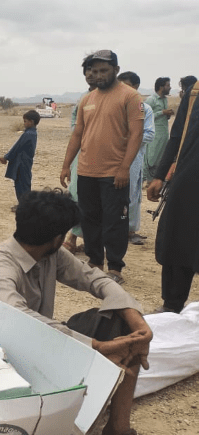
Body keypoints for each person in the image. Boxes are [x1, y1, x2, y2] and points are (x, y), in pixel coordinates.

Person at [0, 190, 165, 435]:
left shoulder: (49, 254)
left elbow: (94, 278)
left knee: (120, 325)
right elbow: (21, 323)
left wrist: (137, 322)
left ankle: (117, 433)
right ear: (57, 237)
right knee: (97, 342)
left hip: (42, 342)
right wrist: (94, 347)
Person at [60, 50, 144, 285]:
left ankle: (115, 268)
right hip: (86, 171)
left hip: (114, 173)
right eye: (94, 71)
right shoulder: (87, 99)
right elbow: (78, 133)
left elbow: (136, 135)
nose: (98, 75)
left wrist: (124, 168)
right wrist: (66, 165)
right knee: (89, 219)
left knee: (115, 221)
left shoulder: (130, 97)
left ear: (116, 70)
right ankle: (95, 262)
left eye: (104, 70)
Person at [146, 77, 198, 314]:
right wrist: (159, 175)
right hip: (190, 178)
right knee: (178, 236)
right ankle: (172, 306)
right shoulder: (195, 91)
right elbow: (177, 135)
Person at [63, 54, 98, 254]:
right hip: (83, 155)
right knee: (78, 194)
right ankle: (72, 237)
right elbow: (75, 129)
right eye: (88, 72)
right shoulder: (83, 100)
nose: (92, 76)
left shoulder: (118, 99)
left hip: (108, 158)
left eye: (97, 71)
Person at [117, 72, 155, 246]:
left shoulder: (144, 109)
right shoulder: (115, 107)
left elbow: (148, 134)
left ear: (136, 87)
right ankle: (114, 228)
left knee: (131, 194)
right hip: (112, 158)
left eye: (126, 85)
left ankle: (130, 230)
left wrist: (128, 141)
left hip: (132, 160)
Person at [0, 110, 40, 209]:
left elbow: (17, 147)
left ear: (32, 122)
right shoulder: (31, 133)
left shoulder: (29, 134)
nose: (24, 123)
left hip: (22, 162)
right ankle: (24, 204)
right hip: (24, 161)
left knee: (22, 184)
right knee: (22, 182)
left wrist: (6, 157)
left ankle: (25, 206)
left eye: (26, 121)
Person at [143, 77, 174, 183]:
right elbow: (145, 116)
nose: (170, 87)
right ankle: (144, 180)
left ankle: (152, 181)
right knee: (150, 159)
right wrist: (162, 112)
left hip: (164, 134)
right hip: (154, 135)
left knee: (160, 159)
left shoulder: (165, 99)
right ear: (161, 87)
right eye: (168, 85)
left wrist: (168, 114)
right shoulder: (151, 100)